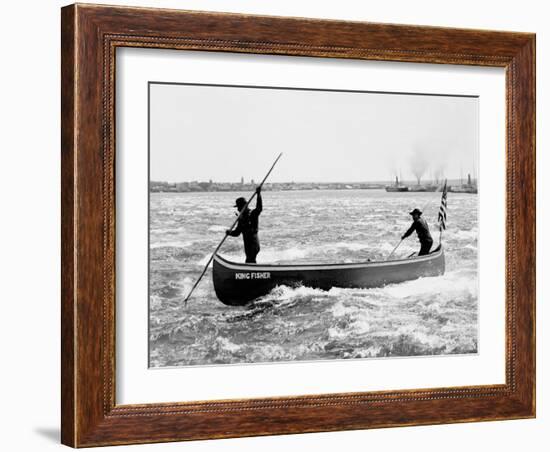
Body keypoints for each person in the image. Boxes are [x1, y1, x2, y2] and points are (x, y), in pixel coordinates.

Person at [226, 186, 263, 263]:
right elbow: (237, 233)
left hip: (254, 243)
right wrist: (229, 233)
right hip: (247, 245)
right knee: (249, 261)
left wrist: (258, 194)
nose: (238, 209)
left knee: (250, 260)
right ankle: (252, 272)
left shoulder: (252, 214)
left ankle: (253, 272)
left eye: (239, 207)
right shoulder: (241, 219)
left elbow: (259, 208)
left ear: (244, 206)